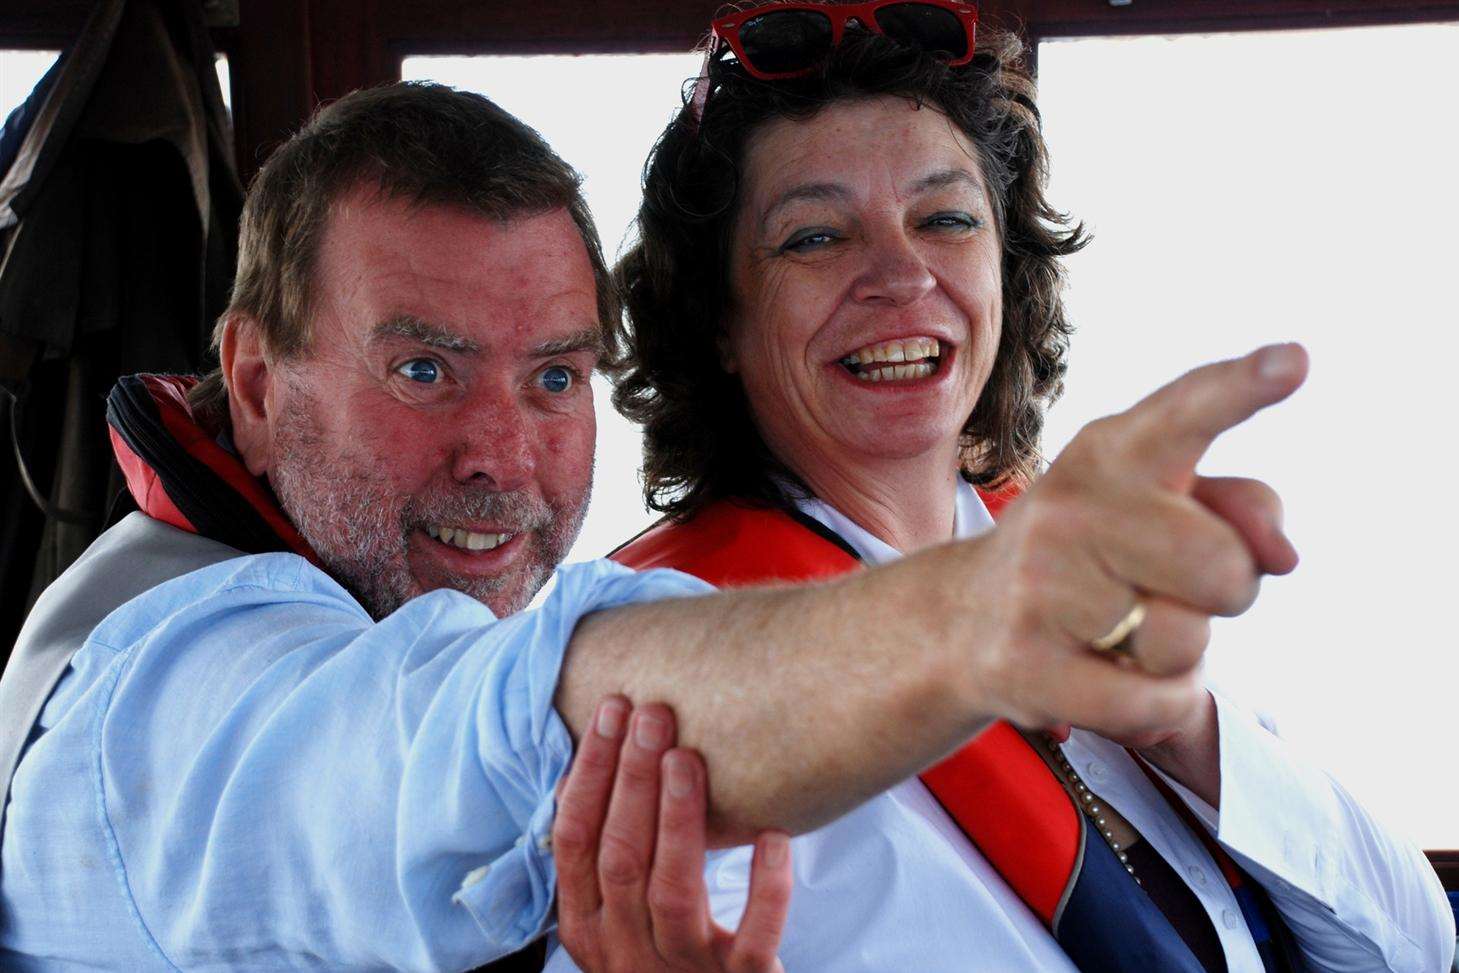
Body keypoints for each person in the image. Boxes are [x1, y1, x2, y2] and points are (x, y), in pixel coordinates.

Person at [0, 70, 1372, 973]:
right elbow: (458, 740)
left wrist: (1174, 720)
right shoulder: (157, 695)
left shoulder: (1086, 589)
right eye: (421, 369)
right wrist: (972, 620)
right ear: (250, 376)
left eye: (551, 376)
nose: (501, 453)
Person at [544, 7, 1455, 973]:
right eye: (813, 238)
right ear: (718, 320)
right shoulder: (670, 668)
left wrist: (1181, 724)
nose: (899, 275)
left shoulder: (1072, 575)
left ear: (1006, 275)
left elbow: (1415, 947)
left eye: (944, 220)